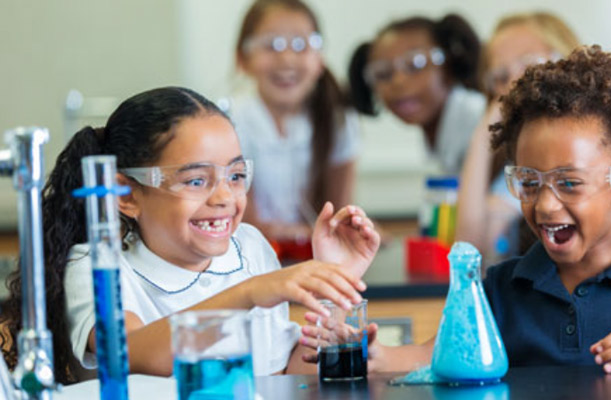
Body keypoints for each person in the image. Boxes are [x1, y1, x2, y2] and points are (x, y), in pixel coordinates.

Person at [302, 46, 611, 400]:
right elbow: (427, 358)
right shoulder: (500, 286)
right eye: (529, 182)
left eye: (569, 183)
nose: (546, 205)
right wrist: (370, 352)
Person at [0, 86, 380, 384]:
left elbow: (282, 375)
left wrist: (338, 285)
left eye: (235, 176)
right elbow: (131, 352)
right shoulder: (98, 267)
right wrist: (250, 293)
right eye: (196, 180)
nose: (224, 198)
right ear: (126, 194)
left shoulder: (249, 249)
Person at [231, 0, 360, 243]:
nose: (287, 59)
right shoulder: (230, 122)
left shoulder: (339, 120)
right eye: (271, 45)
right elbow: (246, 225)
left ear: (319, 59)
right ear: (243, 59)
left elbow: (341, 216)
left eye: (301, 45)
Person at [455, 11, 580, 259]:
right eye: (501, 77)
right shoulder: (528, 166)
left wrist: (599, 268)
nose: (515, 82)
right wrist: (483, 134)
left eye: (529, 64)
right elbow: (471, 251)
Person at [348, 14, 485, 176]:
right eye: (383, 73)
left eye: (415, 64)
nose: (399, 82)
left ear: (449, 64)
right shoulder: (441, 128)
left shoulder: (478, 121)